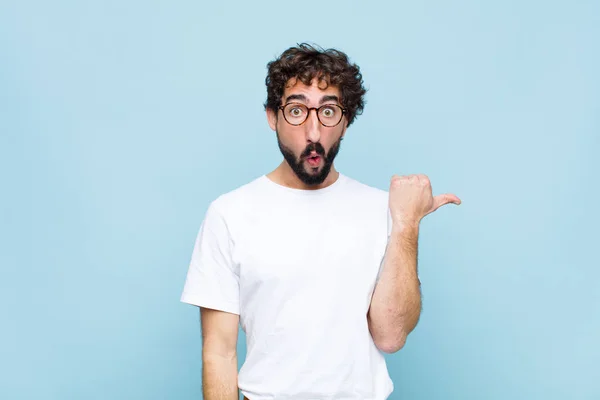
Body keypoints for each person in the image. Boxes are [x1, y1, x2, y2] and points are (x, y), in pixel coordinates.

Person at [180, 43, 461, 400]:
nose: (313, 132)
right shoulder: (229, 215)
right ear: (272, 116)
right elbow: (219, 353)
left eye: (328, 111)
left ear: (345, 122)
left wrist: (406, 224)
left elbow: (391, 336)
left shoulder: (381, 210)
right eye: (297, 110)